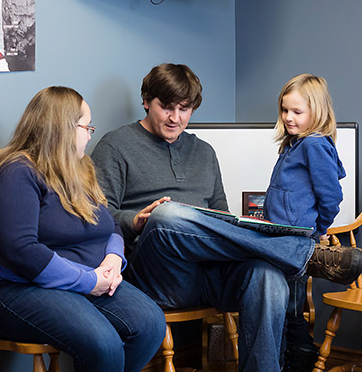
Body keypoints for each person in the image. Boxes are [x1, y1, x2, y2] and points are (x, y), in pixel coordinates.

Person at [91, 63, 362, 372]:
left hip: (212, 274)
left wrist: (229, 220)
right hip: (162, 274)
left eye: (184, 109)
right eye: (166, 107)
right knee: (167, 213)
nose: (175, 118)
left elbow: (220, 214)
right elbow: (98, 218)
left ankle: (290, 258)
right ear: (146, 101)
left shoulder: (204, 152)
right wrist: (135, 220)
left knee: (267, 275)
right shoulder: (116, 145)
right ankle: (301, 253)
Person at [0, 86, 166, 372]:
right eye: (87, 126)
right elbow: (22, 251)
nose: (90, 134)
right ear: (62, 129)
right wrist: (88, 281)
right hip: (17, 287)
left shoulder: (81, 168)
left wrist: (114, 259)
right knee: (103, 343)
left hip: (84, 278)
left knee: (150, 323)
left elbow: (109, 222)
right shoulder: (17, 173)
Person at [264, 74, 345, 372]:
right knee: (280, 300)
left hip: (297, 241)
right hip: (278, 238)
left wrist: (319, 230)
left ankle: (299, 356)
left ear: (317, 112)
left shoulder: (314, 145)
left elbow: (331, 195)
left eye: (297, 112)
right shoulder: (293, 144)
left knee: (291, 303)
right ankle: (288, 354)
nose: (288, 117)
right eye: (285, 110)